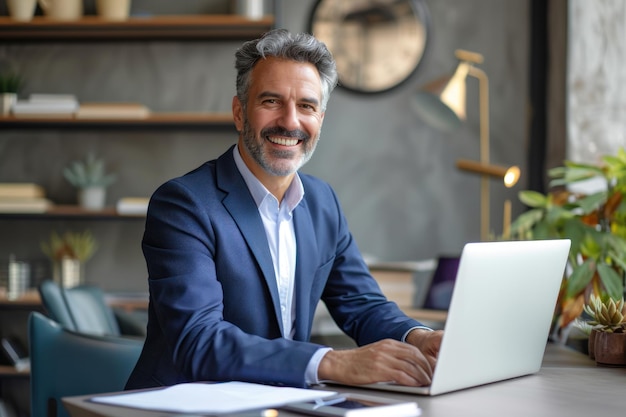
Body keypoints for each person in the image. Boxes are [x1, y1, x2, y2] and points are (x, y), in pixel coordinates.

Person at [126, 28, 443, 390]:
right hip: (182, 405)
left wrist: (419, 337)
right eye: (271, 101)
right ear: (239, 113)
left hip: (280, 403)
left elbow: (361, 303)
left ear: (320, 119)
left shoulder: (323, 202)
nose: (290, 122)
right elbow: (198, 340)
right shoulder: (184, 204)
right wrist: (334, 362)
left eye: (306, 106)